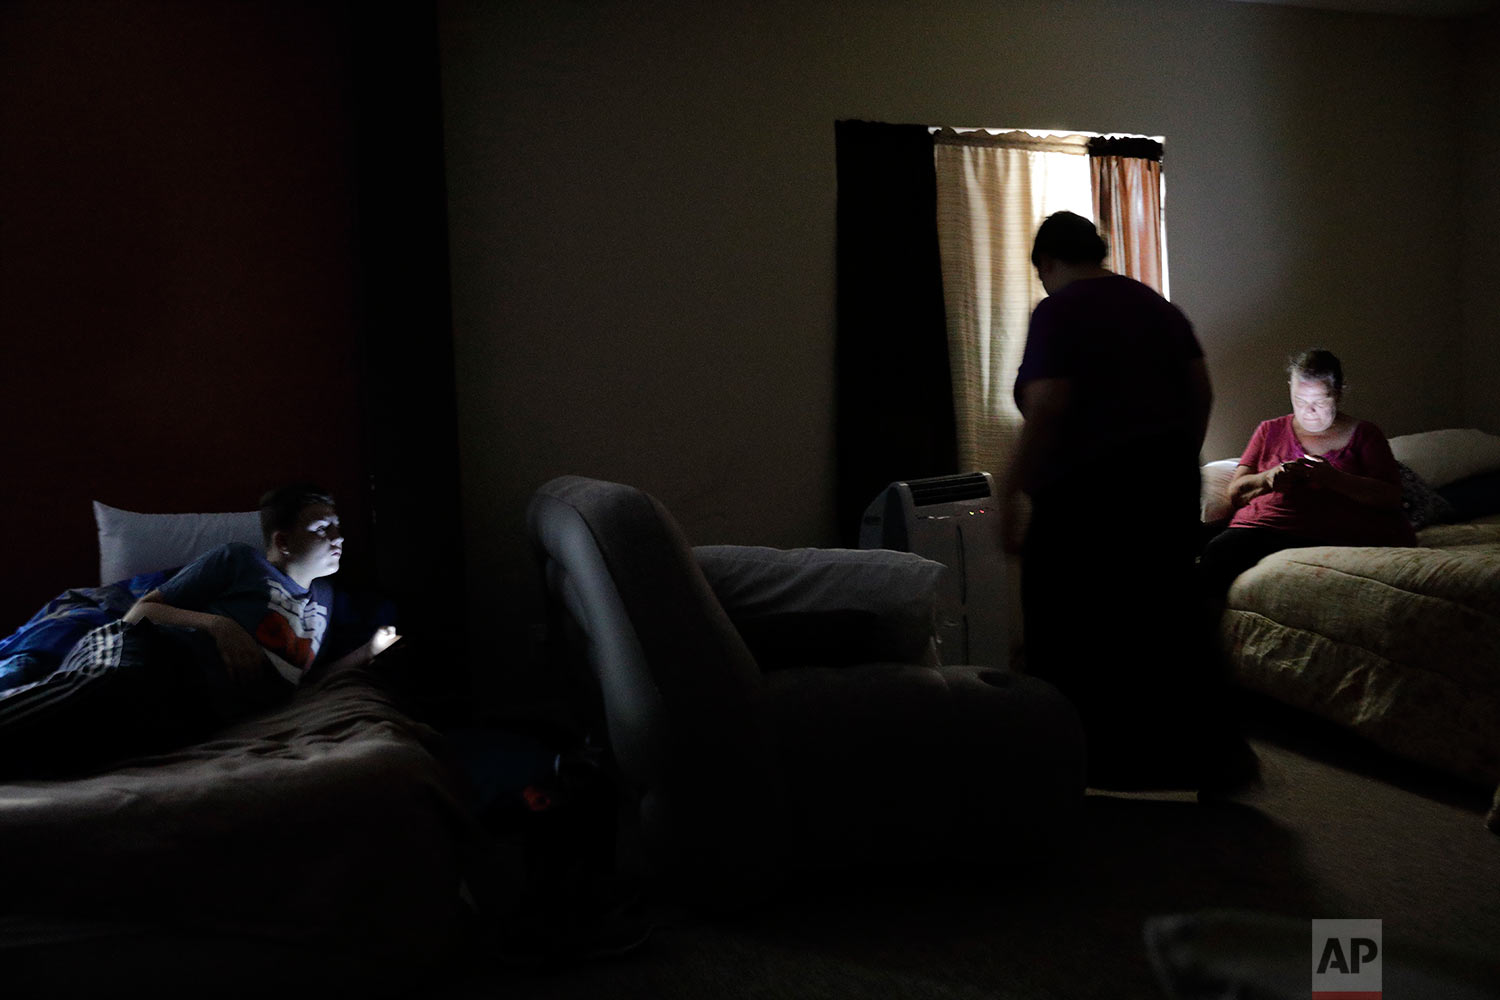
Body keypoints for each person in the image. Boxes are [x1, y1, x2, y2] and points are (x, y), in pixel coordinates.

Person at [1000, 211, 1240, 791]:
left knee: (1067, 625)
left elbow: (1050, 402)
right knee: (1162, 621)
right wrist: (1177, 457)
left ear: (1049, 263)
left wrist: (1009, 488)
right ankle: (1192, 765)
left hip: (1088, 498)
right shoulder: (1158, 308)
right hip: (1163, 489)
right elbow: (1201, 390)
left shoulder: (1057, 310)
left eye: (1042, 274)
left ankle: (1079, 763)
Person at [0, 484, 398, 775]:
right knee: (102, 688)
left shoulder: (326, 599)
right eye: (321, 529)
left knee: (66, 752)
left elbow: (304, 680)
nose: (338, 537)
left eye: (337, 526)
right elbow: (140, 613)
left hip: (194, 707)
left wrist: (369, 651)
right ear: (283, 541)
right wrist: (219, 625)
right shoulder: (241, 562)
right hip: (143, 653)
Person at [1198, 349, 1414, 598]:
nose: (1309, 411)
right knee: (1213, 552)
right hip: (1264, 528)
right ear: (1290, 388)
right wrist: (1269, 478)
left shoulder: (1365, 435)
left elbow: (1391, 496)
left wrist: (1333, 479)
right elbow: (1236, 492)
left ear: (1339, 392)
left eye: (1321, 402)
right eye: (1300, 401)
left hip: (1333, 533)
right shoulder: (1270, 431)